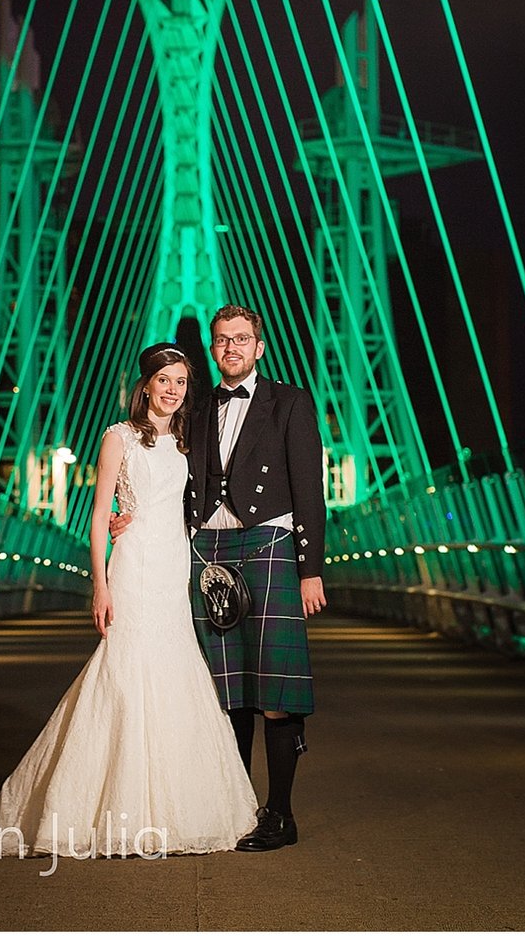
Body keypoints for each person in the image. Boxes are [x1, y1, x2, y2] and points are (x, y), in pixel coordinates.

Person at [0, 344, 258, 857]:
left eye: (182, 382)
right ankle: (110, 808)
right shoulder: (118, 438)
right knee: (122, 670)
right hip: (133, 565)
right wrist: (99, 583)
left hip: (174, 567)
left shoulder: (190, 441)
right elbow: (101, 514)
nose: (173, 390)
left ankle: (176, 808)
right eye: (164, 380)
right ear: (144, 385)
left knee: (175, 670)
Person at [184, 304, 326, 853]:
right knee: (230, 691)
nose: (231, 349)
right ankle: (240, 807)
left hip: (268, 544)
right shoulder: (197, 410)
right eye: (222, 341)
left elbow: (308, 490)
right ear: (213, 350)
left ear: (259, 347)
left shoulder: (289, 402)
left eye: (241, 340)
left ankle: (281, 815)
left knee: (274, 690)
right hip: (208, 549)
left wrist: (309, 570)